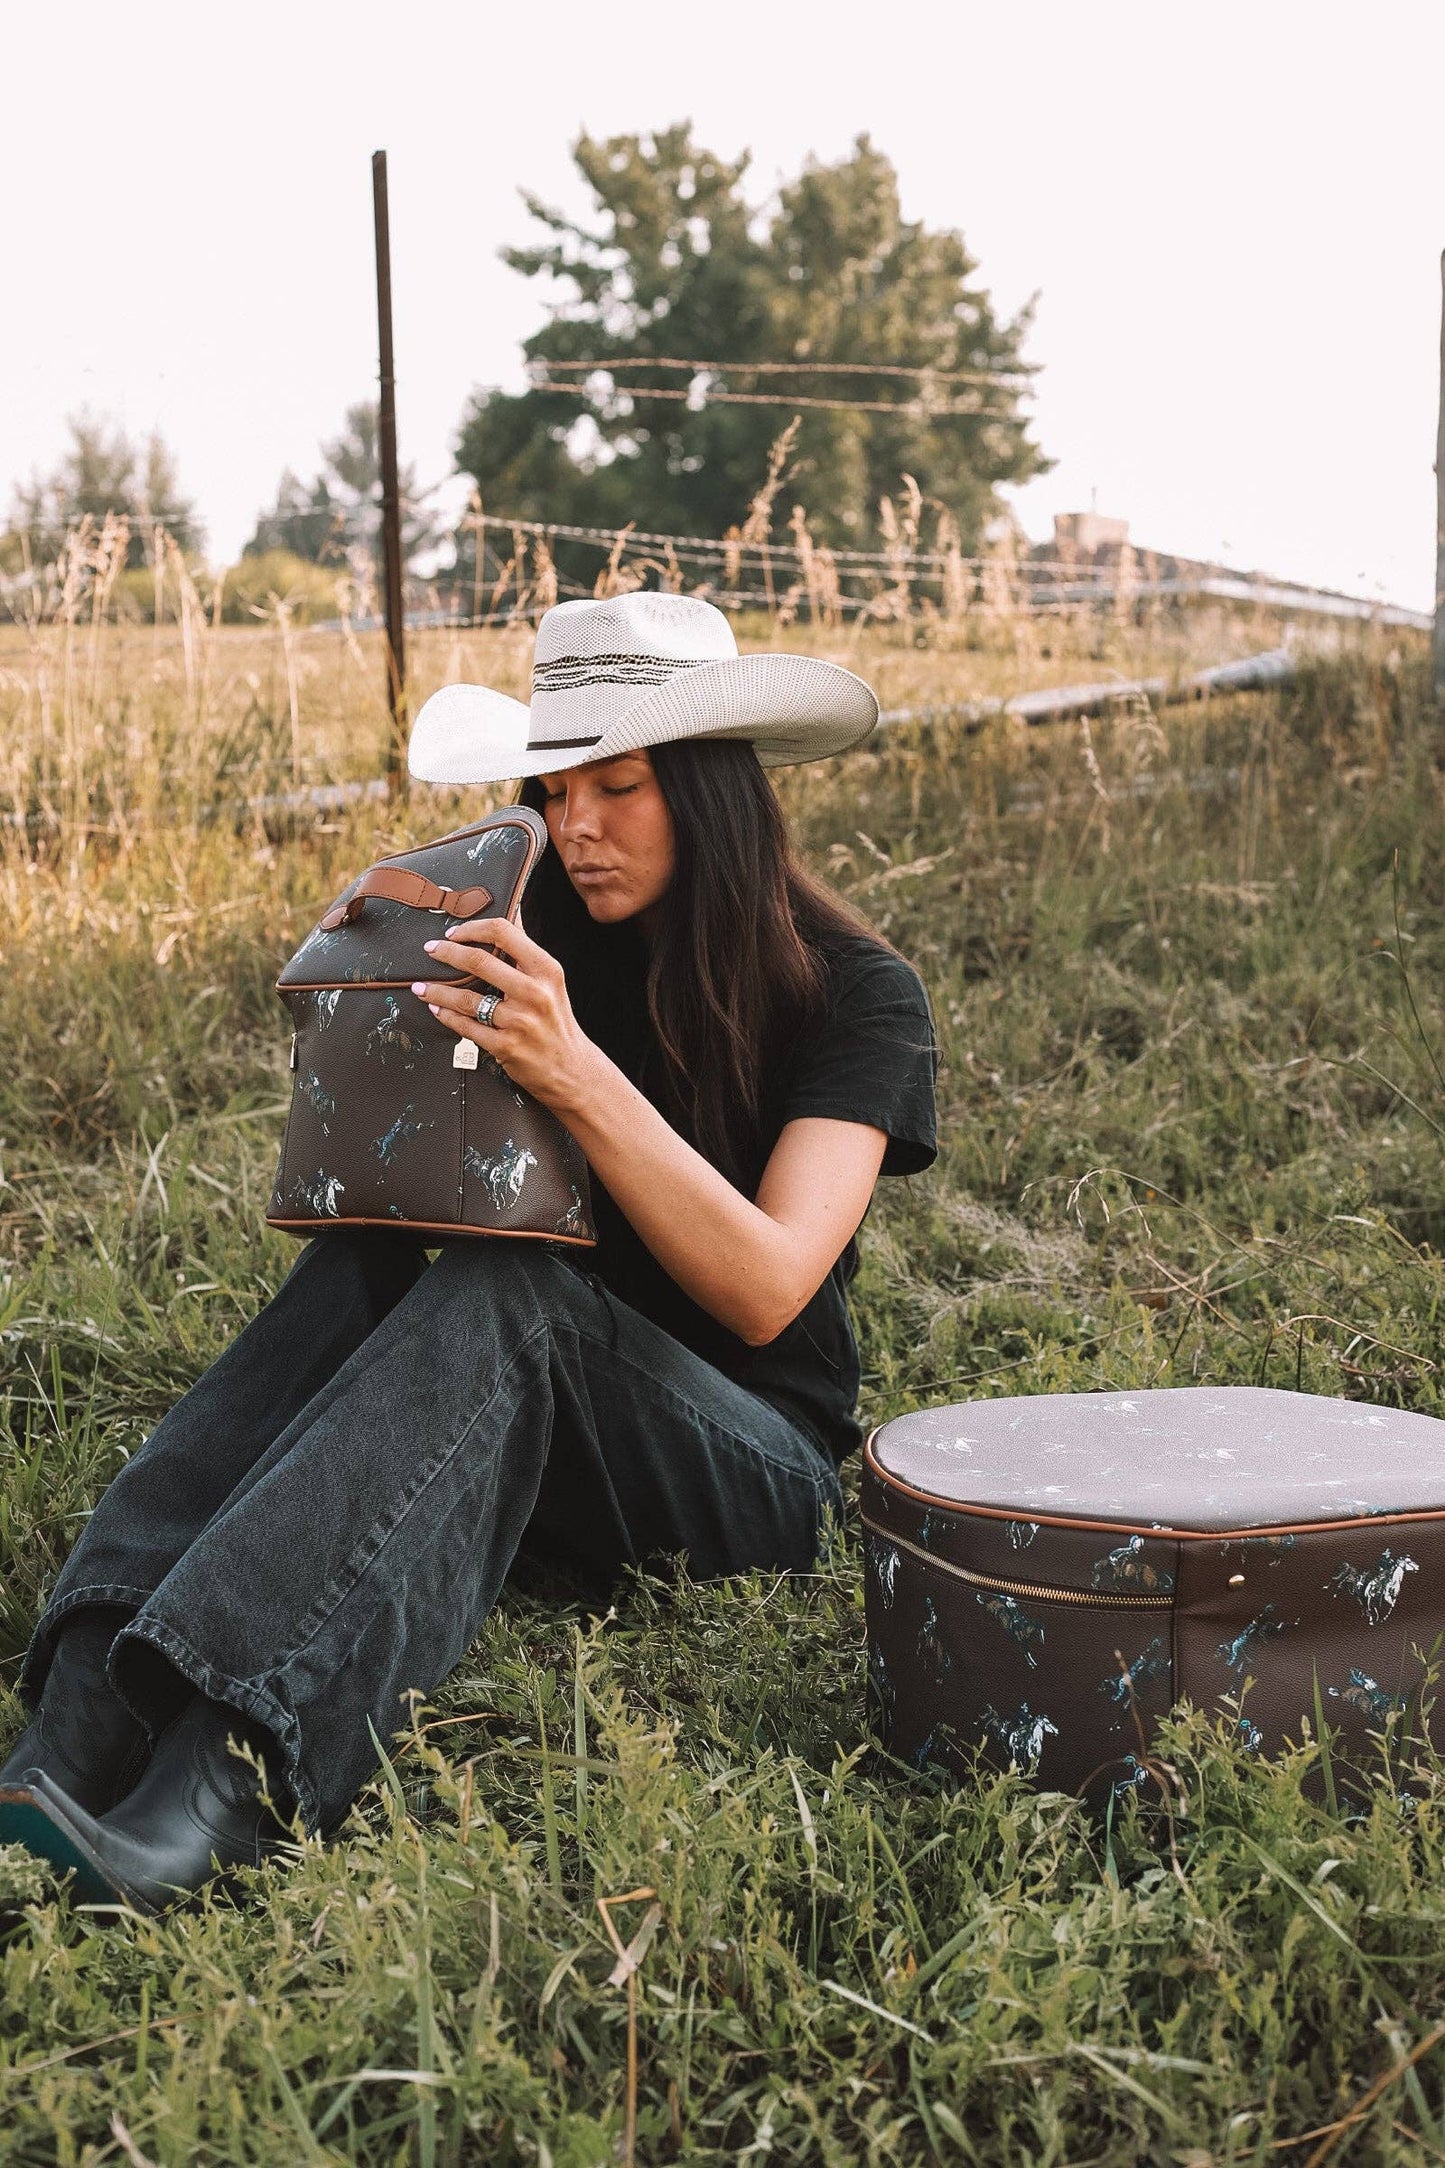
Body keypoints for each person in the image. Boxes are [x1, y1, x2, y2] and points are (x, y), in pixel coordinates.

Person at [0, 593, 937, 1913]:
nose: (580, 829)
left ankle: (223, 1787)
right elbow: (410, 1188)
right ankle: (75, 1734)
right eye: (553, 793)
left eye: (619, 787)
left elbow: (769, 1284)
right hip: (531, 1437)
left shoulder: (853, 992)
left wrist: (574, 1073)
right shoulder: (542, 933)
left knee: (517, 1294)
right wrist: (372, 979)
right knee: (361, 1265)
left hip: (746, 1472)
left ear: (717, 796)